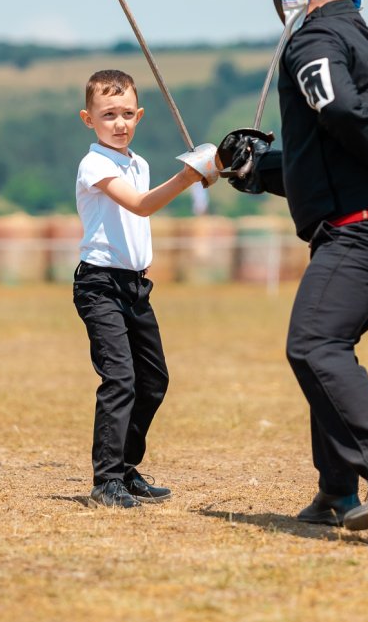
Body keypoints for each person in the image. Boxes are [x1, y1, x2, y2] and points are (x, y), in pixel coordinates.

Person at [218, 0, 368, 531]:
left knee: (314, 346)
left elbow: (338, 109)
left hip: (362, 233)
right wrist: (259, 171)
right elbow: (335, 153)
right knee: (329, 347)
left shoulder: (313, 40)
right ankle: (336, 491)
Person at [73, 69, 219, 507]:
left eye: (126, 114)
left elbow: (138, 215)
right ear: (88, 119)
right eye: (107, 115)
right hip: (99, 285)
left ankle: (125, 468)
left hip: (136, 287)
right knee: (120, 378)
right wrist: (187, 177)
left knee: (153, 380)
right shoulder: (94, 164)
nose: (118, 123)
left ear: (139, 116)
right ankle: (106, 481)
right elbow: (139, 206)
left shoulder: (139, 164)